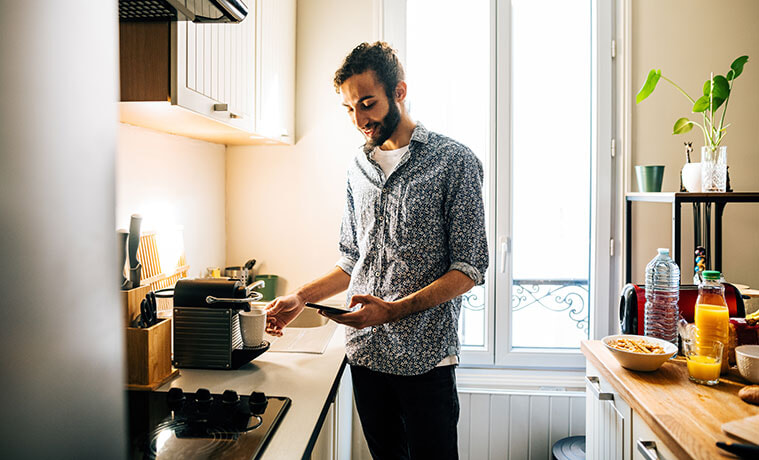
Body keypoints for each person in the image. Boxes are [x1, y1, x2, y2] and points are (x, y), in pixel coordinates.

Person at [265, 41, 488, 460]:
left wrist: (392, 310)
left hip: (425, 359)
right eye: (350, 109)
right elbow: (352, 258)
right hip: (366, 354)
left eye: (368, 103)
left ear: (399, 92)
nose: (360, 119)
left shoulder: (454, 162)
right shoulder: (358, 168)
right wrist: (301, 297)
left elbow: (470, 267)